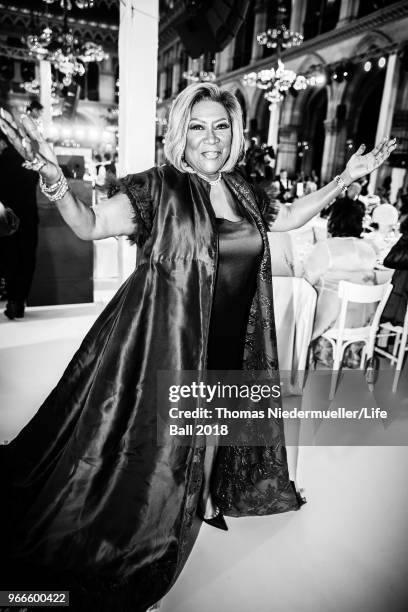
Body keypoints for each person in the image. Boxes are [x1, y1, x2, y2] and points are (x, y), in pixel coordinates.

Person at [0, 83, 396, 611]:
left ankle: (204, 497)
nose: (210, 138)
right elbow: (90, 225)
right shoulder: (158, 188)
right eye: (198, 126)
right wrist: (54, 181)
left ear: (234, 133)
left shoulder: (243, 190)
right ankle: (151, 525)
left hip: (231, 335)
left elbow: (289, 218)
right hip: (170, 340)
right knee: (158, 444)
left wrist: (344, 179)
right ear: (179, 134)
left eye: (221, 126)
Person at [303, 198, 378, 367]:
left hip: (333, 319)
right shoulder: (369, 248)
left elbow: (307, 279)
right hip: (362, 318)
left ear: (333, 220)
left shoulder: (326, 248)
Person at [0, 129, 39, 319]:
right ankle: (19, 301)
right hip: (29, 216)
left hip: (7, 217)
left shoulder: (2, 161)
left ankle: (13, 300)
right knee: (27, 259)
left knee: (10, 258)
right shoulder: (28, 160)